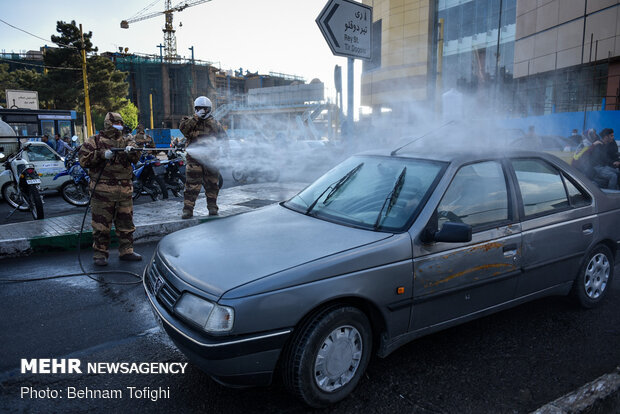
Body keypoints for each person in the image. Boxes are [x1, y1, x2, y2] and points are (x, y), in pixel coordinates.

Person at [78, 112, 142, 266]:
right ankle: (100, 254)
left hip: (124, 190)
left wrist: (132, 150)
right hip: (102, 191)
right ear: (108, 125)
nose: (119, 127)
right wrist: (100, 155)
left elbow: (136, 154)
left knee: (126, 223)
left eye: (120, 123)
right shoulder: (94, 141)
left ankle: (127, 251)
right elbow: (83, 160)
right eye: (116, 124)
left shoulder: (127, 139)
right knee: (101, 226)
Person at [179, 96, 228, 219]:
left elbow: (224, 139)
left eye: (205, 109)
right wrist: (196, 118)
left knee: (212, 184)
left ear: (209, 109)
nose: (202, 111)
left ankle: (212, 207)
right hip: (194, 159)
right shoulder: (189, 121)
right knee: (192, 185)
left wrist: (226, 152)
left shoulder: (215, 123)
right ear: (195, 109)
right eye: (199, 108)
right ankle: (188, 210)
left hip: (211, 159)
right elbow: (184, 130)